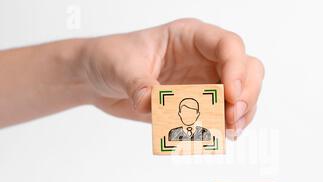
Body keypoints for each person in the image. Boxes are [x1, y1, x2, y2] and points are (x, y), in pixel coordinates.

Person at [0, 19, 264, 140]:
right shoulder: (173, 133)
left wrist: (84, 69)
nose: (185, 116)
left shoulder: (203, 132)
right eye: (183, 111)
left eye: (190, 110)